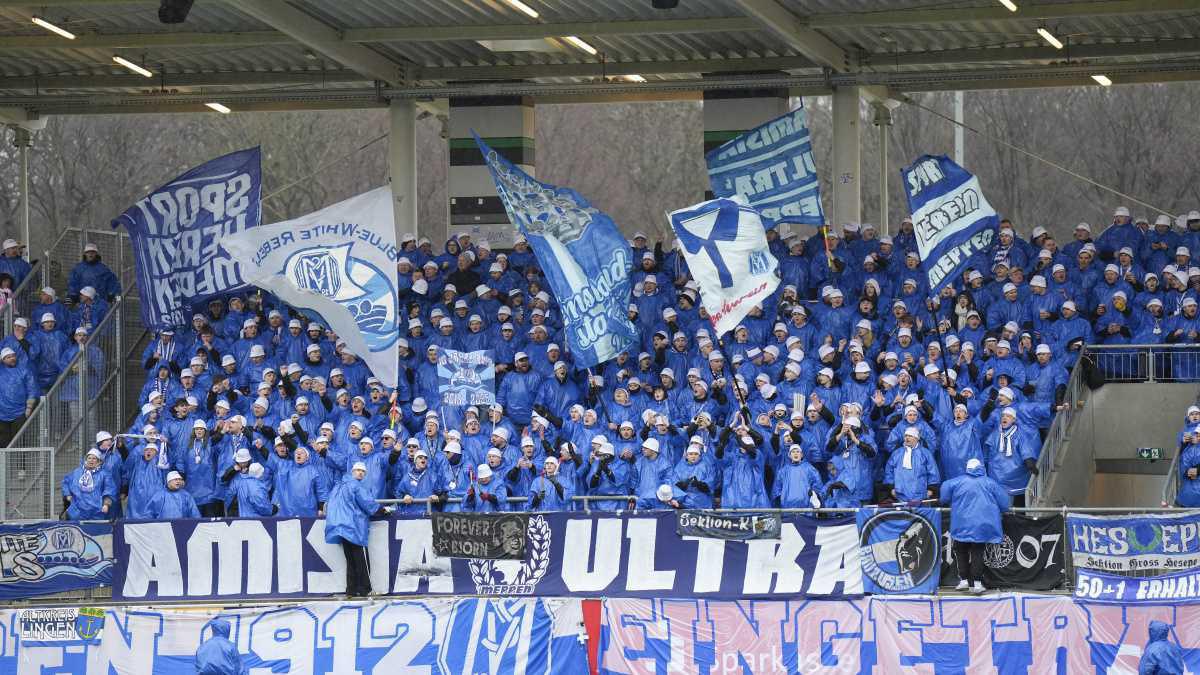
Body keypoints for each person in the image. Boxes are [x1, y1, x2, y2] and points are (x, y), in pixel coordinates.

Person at [939, 458, 1011, 593]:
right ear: (981, 468)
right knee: (977, 552)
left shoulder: (957, 482)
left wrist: (944, 500)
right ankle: (977, 583)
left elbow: (944, 491)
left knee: (960, 550)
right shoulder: (989, 482)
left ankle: (964, 580)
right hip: (981, 526)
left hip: (961, 524)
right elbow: (1004, 503)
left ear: (967, 468)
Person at [325, 461, 387, 597]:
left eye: (362, 471)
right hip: (354, 528)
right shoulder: (357, 486)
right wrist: (383, 510)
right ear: (352, 472)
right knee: (361, 561)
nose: (360, 473)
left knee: (351, 561)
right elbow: (369, 505)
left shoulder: (338, 486)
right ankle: (366, 589)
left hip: (340, 528)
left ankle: (351, 590)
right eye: (358, 470)